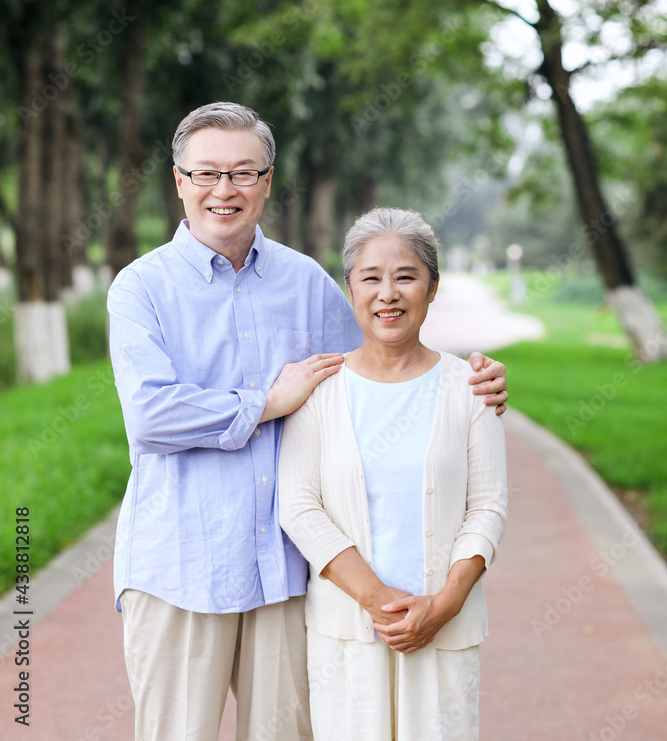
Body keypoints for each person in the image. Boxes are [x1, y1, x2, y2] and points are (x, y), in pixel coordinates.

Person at [107, 102, 509, 741]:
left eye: (243, 173)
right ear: (179, 180)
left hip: (285, 573)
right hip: (180, 566)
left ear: (267, 181)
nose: (224, 190)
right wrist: (267, 401)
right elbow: (151, 415)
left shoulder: (309, 285)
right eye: (206, 174)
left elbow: (387, 358)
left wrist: (473, 382)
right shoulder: (141, 289)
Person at [279, 207, 508, 741]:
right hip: (346, 634)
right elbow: (299, 506)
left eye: (406, 276)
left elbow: (489, 505)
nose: (388, 293)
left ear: (432, 289)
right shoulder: (319, 390)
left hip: (446, 629)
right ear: (350, 288)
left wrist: (443, 604)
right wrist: (385, 604)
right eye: (371, 278)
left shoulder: (470, 387)